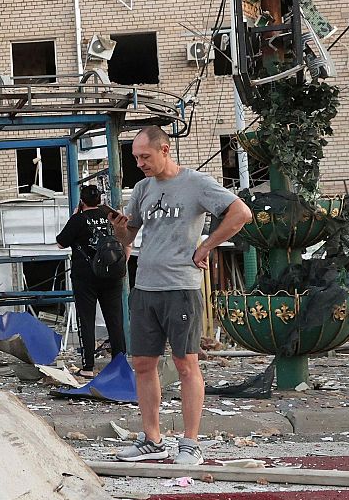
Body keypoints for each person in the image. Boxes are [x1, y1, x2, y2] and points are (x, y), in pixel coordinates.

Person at [107, 125, 252, 465]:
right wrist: (119, 230)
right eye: (136, 158)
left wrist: (207, 245)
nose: (140, 163)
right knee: (143, 363)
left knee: (186, 363)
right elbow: (129, 238)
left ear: (165, 150)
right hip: (145, 286)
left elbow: (241, 213)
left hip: (181, 287)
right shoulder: (142, 188)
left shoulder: (195, 183)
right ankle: (152, 440)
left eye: (145, 156)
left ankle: (190, 443)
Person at [56, 184, 126, 376]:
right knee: (115, 320)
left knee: (86, 320)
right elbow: (125, 239)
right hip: (112, 274)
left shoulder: (78, 219)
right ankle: (119, 365)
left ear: (82, 200)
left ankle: (88, 368)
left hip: (85, 277)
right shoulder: (111, 218)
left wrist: (75, 216)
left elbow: (61, 243)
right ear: (100, 200)